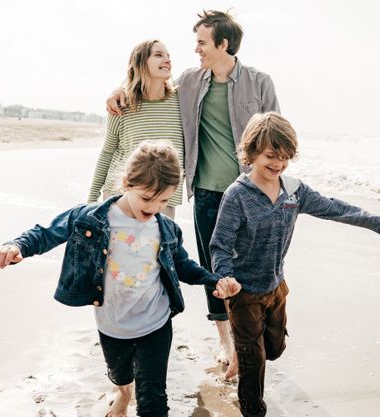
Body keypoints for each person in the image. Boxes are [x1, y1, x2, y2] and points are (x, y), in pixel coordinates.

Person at [0, 142, 241, 417]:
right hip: (113, 324)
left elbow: (183, 265)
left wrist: (213, 280)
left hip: (156, 323)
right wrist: (17, 246)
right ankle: (122, 393)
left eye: (164, 201)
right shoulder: (91, 218)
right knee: (120, 375)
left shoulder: (165, 228)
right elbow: (46, 232)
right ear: (127, 184)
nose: (155, 207)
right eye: (147, 198)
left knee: (154, 400)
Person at [106, 10, 280, 379]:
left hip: (249, 192)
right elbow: (148, 88)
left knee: (253, 263)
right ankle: (227, 339)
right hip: (204, 190)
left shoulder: (260, 82)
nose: (195, 49)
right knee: (213, 265)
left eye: (202, 42)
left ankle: (259, 325)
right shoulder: (189, 82)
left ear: (223, 44)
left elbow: (276, 135)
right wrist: (117, 92)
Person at [209, 113, 380, 417]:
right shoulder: (237, 196)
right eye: (270, 156)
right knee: (255, 365)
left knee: (274, 350)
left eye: (284, 157)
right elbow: (220, 244)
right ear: (251, 153)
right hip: (244, 292)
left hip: (276, 287)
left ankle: (246, 349)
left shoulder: (294, 191)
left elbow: (334, 208)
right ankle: (252, 402)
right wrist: (225, 278)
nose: (277, 163)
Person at [89, 39, 184, 219]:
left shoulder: (181, 101)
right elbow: (108, 152)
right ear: (140, 63)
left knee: (160, 247)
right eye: (158, 55)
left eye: (168, 56)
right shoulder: (122, 104)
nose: (167, 60)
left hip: (164, 199)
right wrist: (91, 201)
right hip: (120, 197)